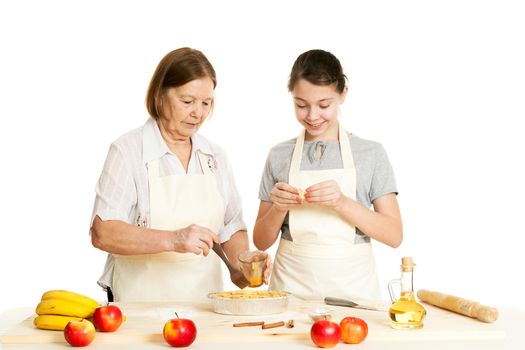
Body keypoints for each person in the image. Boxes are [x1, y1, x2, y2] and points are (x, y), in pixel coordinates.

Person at [90, 48, 270, 302]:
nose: (198, 113)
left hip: (206, 308)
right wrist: (174, 240)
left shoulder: (214, 156)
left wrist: (244, 263)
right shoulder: (127, 151)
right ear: (160, 95)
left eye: (206, 103)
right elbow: (103, 232)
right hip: (140, 309)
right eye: (187, 101)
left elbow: (230, 226)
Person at [253, 49, 402, 301]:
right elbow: (260, 241)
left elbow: (394, 235)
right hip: (291, 288)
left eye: (324, 105)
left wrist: (341, 203)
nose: (312, 116)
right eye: (301, 105)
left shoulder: (371, 153)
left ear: (343, 93)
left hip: (354, 291)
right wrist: (278, 208)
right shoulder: (279, 155)